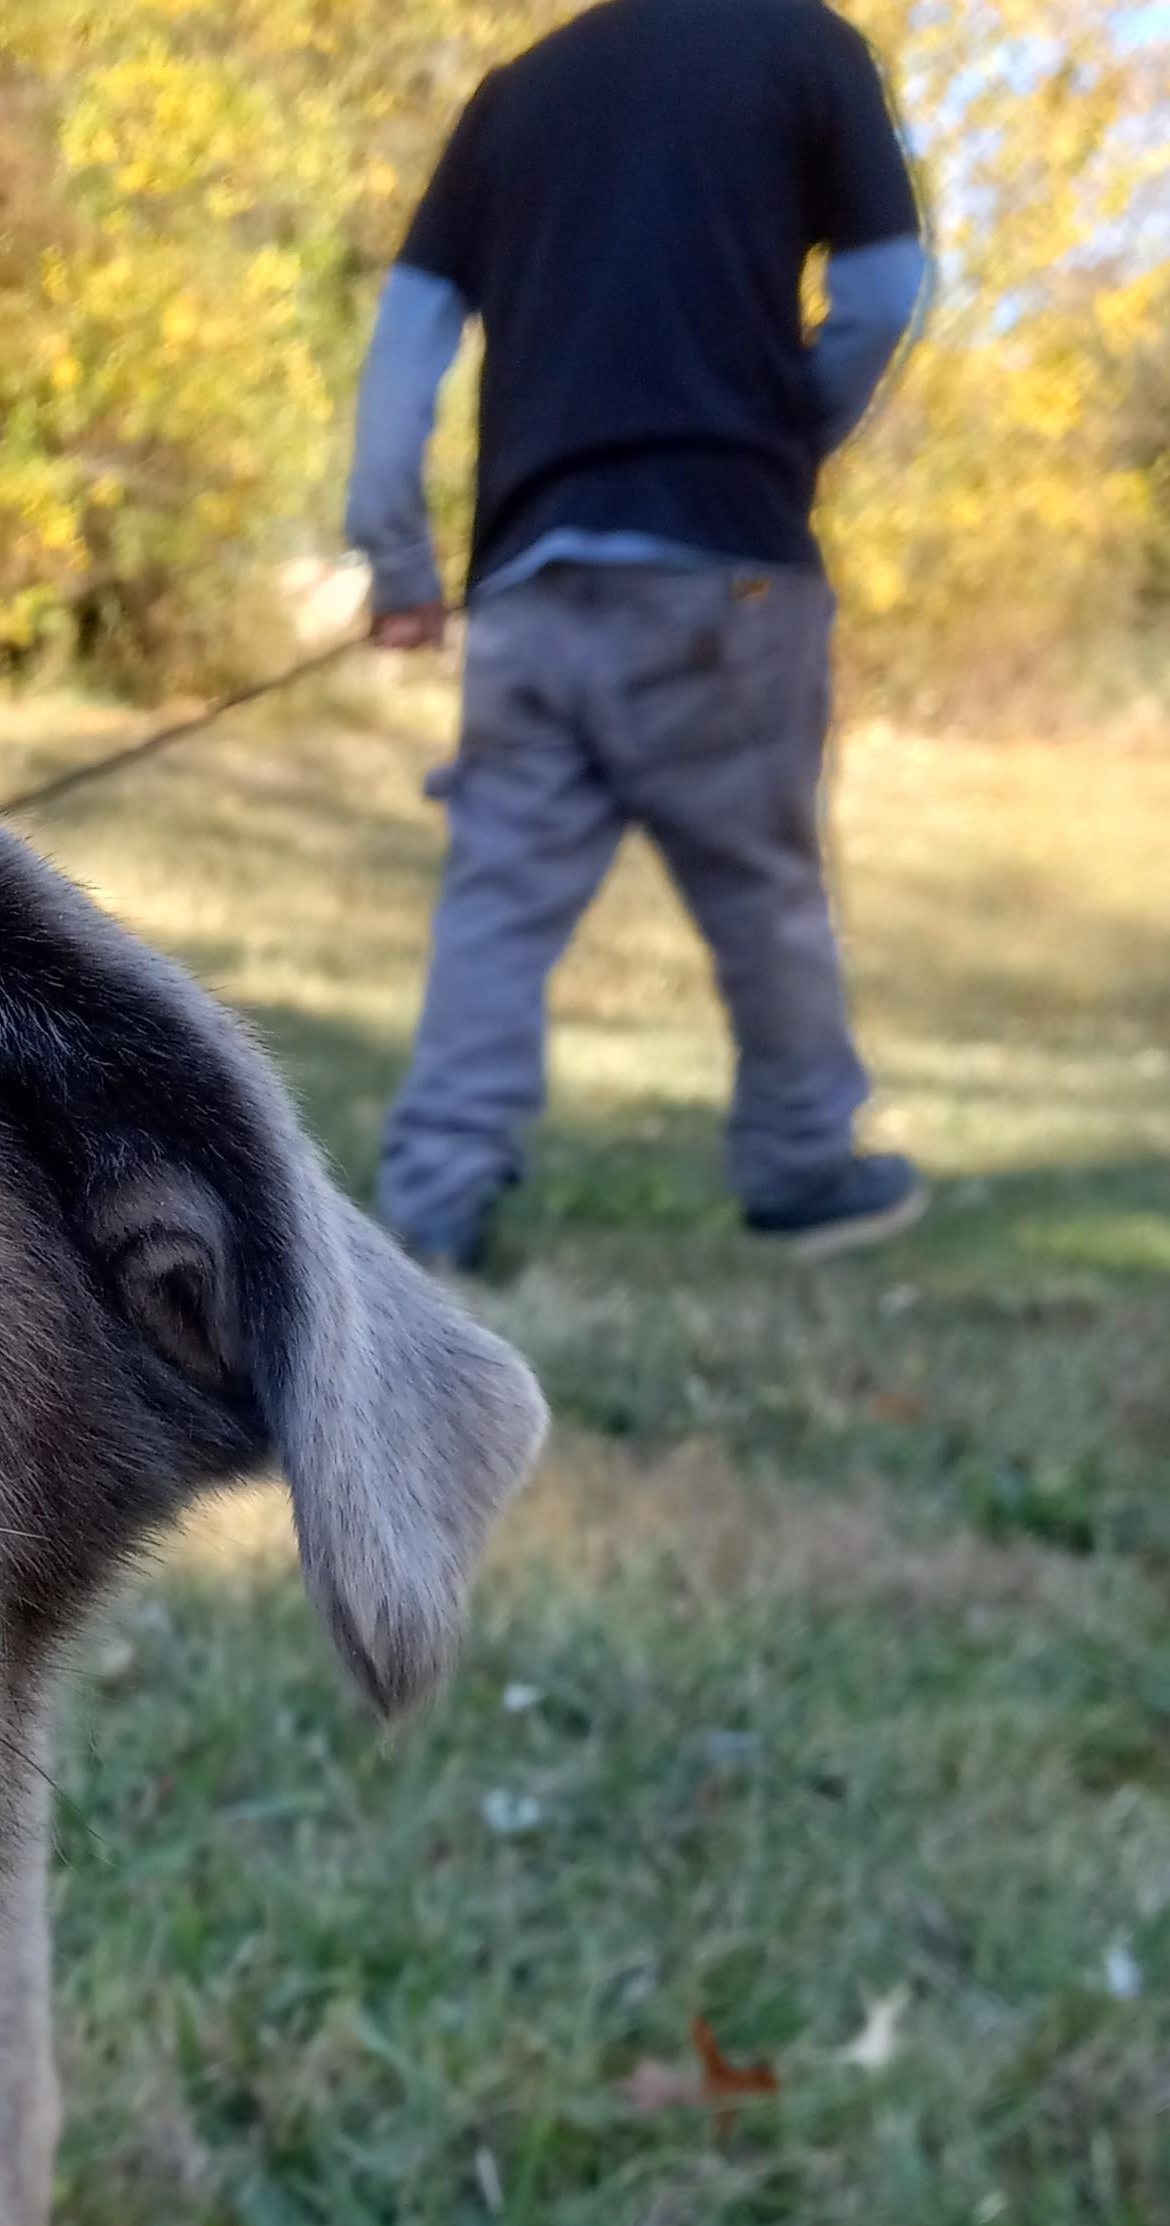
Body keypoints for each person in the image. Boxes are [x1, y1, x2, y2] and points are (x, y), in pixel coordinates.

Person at [347, 0, 930, 1272]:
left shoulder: (518, 95)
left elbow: (406, 341)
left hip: (533, 582)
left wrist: (399, 559)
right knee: (762, 885)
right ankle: (799, 1168)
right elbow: (886, 294)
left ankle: (433, 1212)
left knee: (497, 906)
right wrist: (782, 444)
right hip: (728, 576)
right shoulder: (809, 51)